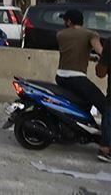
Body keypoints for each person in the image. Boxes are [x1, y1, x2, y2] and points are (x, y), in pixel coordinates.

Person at [54, 10, 109, 162]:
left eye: (65, 20)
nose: (64, 23)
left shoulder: (60, 34)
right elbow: (102, 53)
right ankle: (105, 147)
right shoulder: (90, 34)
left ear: (69, 21)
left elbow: (72, 51)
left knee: (83, 103)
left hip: (61, 76)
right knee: (105, 107)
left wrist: (88, 56)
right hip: (77, 78)